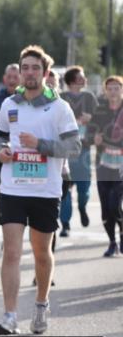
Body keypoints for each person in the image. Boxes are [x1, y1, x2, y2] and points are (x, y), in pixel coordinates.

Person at [0, 46, 80, 335]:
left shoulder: (59, 108)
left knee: (41, 253)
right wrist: (1, 151)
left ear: (44, 73)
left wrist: (40, 144)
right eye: (25, 68)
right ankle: (10, 317)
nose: (29, 73)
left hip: (45, 191)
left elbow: (74, 148)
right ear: (20, 72)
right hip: (13, 188)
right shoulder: (9, 105)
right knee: (12, 254)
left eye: (34, 68)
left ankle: (41, 304)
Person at [59, 66, 98, 236]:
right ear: (73, 80)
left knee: (84, 189)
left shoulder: (89, 97)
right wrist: (74, 121)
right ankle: (65, 224)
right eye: (81, 77)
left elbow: (102, 119)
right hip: (65, 151)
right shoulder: (61, 98)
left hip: (84, 150)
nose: (85, 79)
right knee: (65, 190)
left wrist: (92, 119)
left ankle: (82, 207)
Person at [92, 76, 123, 256]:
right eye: (109, 88)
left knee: (114, 204)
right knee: (105, 209)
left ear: (121, 89)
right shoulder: (100, 111)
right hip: (103, 164)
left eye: (116, 88)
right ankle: (112, 242)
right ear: (105, 91)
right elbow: (88, 135)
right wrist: (94, 139)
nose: (113, 92)